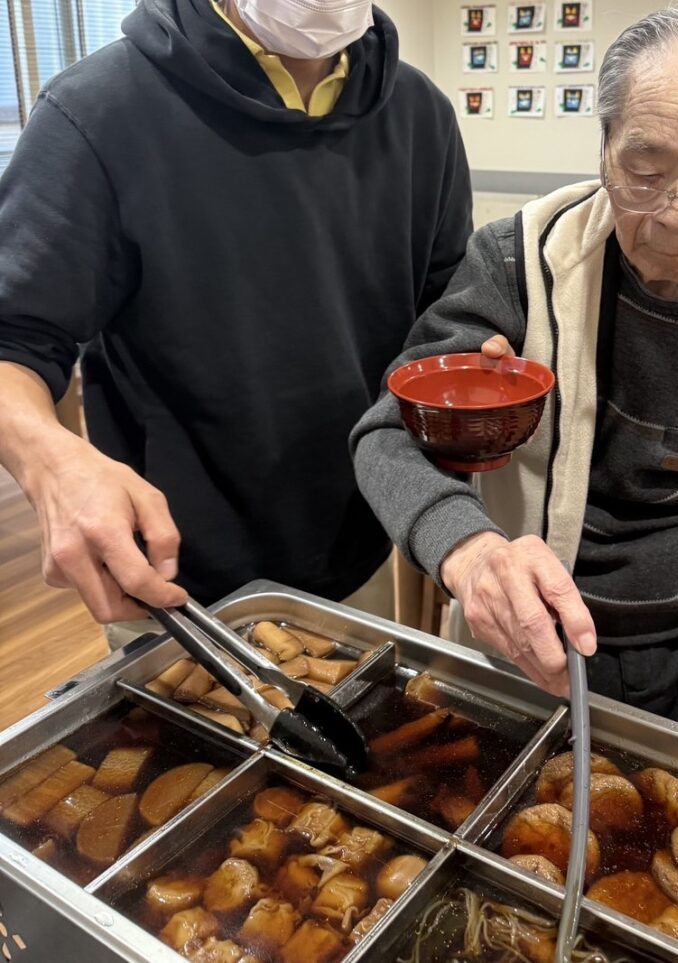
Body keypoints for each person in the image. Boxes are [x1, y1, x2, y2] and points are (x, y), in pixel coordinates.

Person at [352, 6, 678, 761]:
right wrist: (469, 552)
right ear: (603, 149)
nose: (676, 215)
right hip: (523, 652)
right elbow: (385, 438)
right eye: (644, 172)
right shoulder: (521, 265)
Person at [0, 0, 482, 628]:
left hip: (359, 540)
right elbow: (13, 337)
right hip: (172, 574)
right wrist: (52, 461)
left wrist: (472, 364)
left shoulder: (422, 116)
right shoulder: (98, 111)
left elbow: (439, 319)